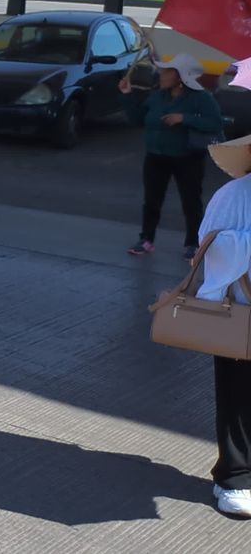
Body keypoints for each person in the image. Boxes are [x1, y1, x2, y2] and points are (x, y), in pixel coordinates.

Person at [120, 53, 224, 259]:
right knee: (151, 200)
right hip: (156, 156)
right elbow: (137, 119)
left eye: (167, 71)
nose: (161, 74)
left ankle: (193, 243)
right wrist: (127, 95)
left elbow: (215, 123)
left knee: (191, 201)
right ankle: (146, 239)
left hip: (187, 157)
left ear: (180, 77)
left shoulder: (200, 97)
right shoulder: (158, 95)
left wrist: (184, 118)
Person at [196, 134, 251, 518]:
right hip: (241, 313)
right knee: (239, 397)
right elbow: (209, 244)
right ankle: (235, 477)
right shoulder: (235, 195)